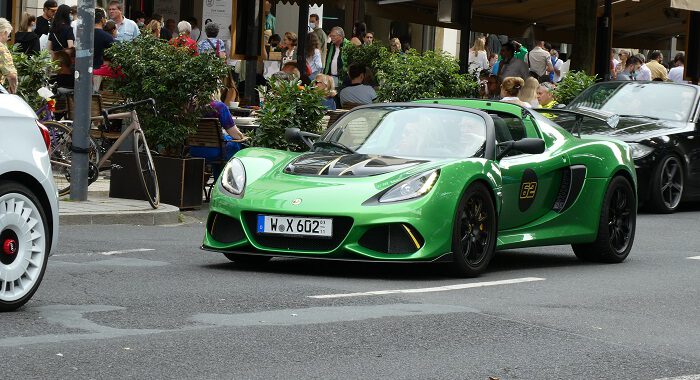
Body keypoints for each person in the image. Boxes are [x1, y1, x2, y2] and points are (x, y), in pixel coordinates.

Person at [189, 99, 248, 180]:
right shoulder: (219, 107)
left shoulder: (188, 106)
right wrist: (244, 137)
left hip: (193, 150)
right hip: (213, 152)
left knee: (223, 143)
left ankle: (219, 179)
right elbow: (235, 135)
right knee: (234, 144)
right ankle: (227, 181)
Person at [0, 18, 18, 94]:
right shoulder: (1, 48)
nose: (8, 38)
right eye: (8, 35)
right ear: (4, 32)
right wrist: (13, 91)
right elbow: (12, 75)